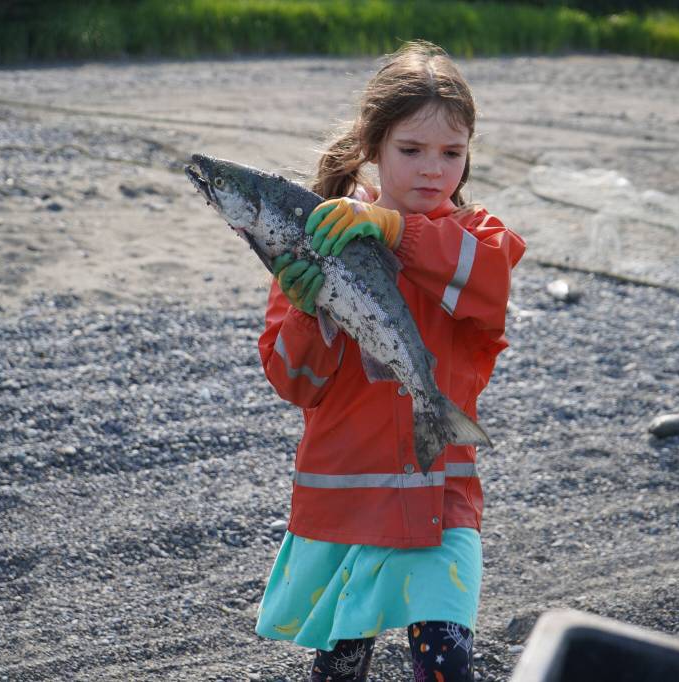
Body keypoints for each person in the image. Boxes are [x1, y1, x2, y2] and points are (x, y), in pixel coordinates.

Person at [254, 40, 526, 681]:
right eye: (411, 150)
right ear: (371, 148)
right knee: (341, 670)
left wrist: (391, 227)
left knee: (447, 665)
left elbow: (487, 284)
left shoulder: (479, 241)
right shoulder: (318, 246)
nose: (433, 170)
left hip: (441, 495)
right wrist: (305, 306)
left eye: (451, 154)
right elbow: (293, 382)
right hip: (349, 500)